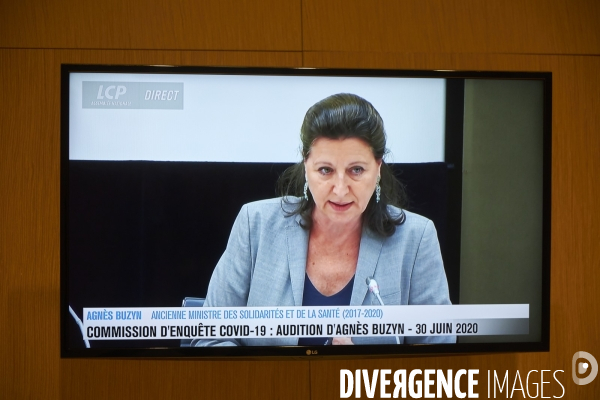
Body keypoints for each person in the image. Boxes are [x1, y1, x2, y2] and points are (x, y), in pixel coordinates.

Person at [194, 93, 455, 346]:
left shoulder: (417, 238)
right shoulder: (256, 224)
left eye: (356, 170)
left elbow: (439, 361)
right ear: (306, 167)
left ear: (378, 170)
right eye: (325, 170)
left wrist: (365, 373)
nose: (340, 189)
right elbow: (208, 336)